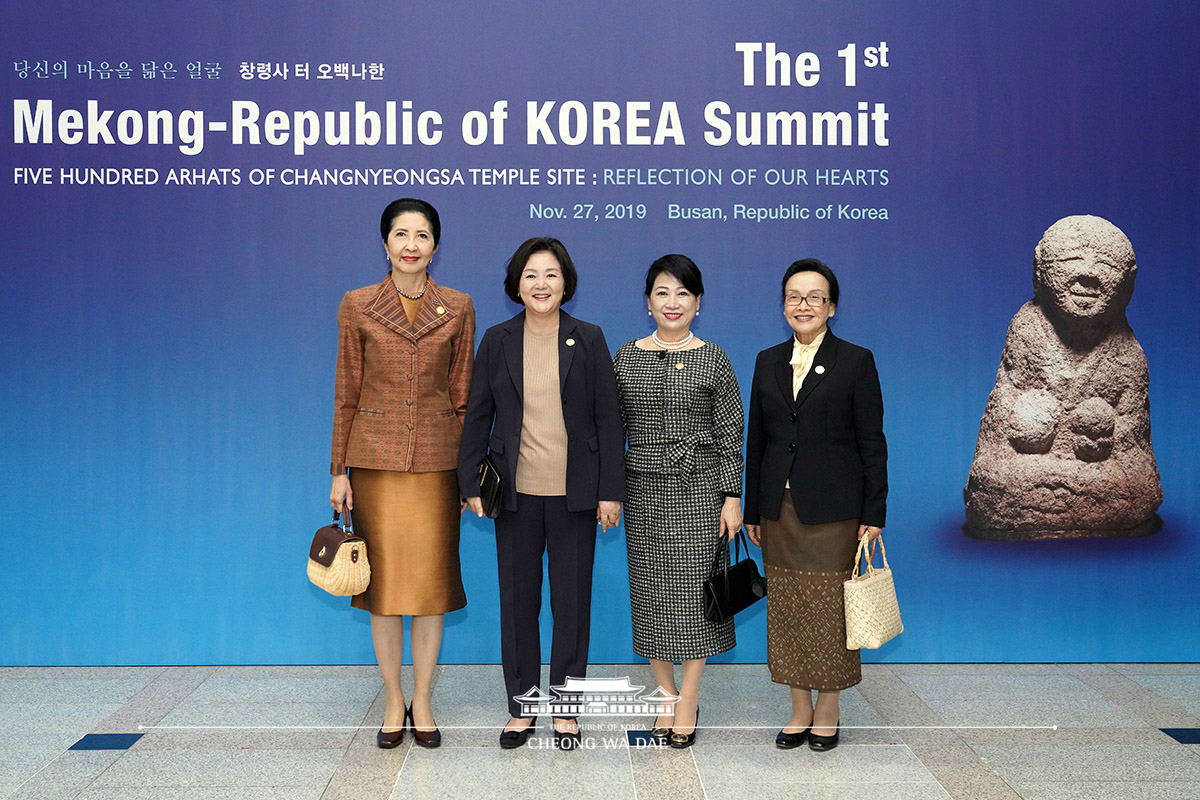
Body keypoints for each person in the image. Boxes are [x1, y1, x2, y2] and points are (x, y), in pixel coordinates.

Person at [457, 236, 624, 750]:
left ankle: (567, 712)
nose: (541, 284)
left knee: (572, 606)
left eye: (550, 274)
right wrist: (469, 483)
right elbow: (478, 416)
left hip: (576, 494)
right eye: (531, 275)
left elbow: (609, 419)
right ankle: (523, 708)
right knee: (518, 605)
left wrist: (610, 491)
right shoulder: (497, 339)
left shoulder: (588, 337)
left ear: (565, 282)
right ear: (516, 284)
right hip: (515, 496)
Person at [329, 198, 474, 749]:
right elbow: (346, 392)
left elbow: (463, 396)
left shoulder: (457, 305)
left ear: (436, 245)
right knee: (383, 590)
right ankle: (394, 699)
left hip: (438, 465)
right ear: (385, 243)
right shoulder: (358, 304)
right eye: (400, 234)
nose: (411, 244)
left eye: (422, 235)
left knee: (432, 589)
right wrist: (339, 470)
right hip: (375, 465)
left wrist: (467, 475)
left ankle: (426, 700)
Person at [744, 258, 887, 752]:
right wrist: (751, 510)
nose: (803, 305)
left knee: (829, 611)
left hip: (834, 512)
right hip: (777, 513)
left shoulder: (856, 360)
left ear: (832, 306)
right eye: (793, 296)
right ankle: (798, 707)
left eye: (814, 297)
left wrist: (874, 515)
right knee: (786, 609)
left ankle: (829, 707)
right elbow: (756, 441)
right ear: (783, 304)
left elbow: (873, 444)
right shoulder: (766, 360)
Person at [612, 254, 744, 749]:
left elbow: (732, 432)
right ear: (648, 302)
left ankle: (687, 698)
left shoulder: (714, 357)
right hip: (643, 491)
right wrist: (609, 493)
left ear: (698, 302)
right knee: (651, 596)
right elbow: (611, 430)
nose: (673, 302)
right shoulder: (625, 356)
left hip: (700, 490)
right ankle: (664, 694)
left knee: (695, 598)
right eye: (663, 293)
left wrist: (732, 496)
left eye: (683, 293)